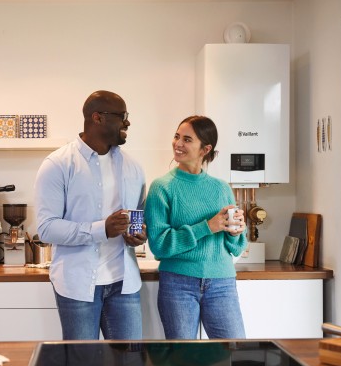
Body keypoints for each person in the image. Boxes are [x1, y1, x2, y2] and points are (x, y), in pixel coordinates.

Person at [34, 90, 147, 340]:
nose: (127, 122)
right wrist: (102, 229)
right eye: (122, 116)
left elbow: (138, 213)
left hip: (124, 284)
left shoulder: (134, 167)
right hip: (77, 286)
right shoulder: (57, 164)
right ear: (97, 118)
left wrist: (138, 233)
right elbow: (46, 228)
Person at [145, 115, 247, 340]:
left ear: (205, 149)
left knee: (233, 354)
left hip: (222, 283)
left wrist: (236, 230)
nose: (178, 144)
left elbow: (237, 247)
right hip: (177, 283)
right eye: (176, 136)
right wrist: (207, 227)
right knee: (185, 363)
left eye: (187, 139)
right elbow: (159, 245)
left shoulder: (221, 188)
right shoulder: (161, 188)